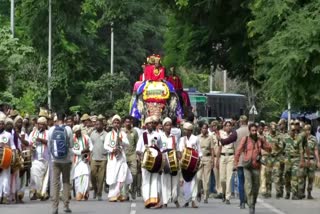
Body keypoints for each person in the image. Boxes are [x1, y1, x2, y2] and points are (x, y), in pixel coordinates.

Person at [234, 123, 271, 214]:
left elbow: (269, 149)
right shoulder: (245, 139)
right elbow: (238, 151)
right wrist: (235, 163)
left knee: (256, 186)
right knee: (249, 186)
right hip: (247, 166)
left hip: (256, 166)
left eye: (255, 130)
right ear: (249, 131)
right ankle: (251, 205)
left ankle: (252, 202)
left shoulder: (260, 140)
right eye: (252, 130)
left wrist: (265, 143)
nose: (254, 132)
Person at [219, 115, 248, 209]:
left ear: (240, 122)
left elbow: (228, 140)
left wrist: (221, 140)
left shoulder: (237, 132)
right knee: (249, 181)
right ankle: (249, 199)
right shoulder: (252, 130)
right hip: (251, 160)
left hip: (240, 160)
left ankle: (242, 202)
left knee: (241, 181)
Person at [48, 112, 73, 214]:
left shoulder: (51, 130)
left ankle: (54, 207)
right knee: (66, 182)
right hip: (66, 160)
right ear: (65, 119)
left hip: (55, 160)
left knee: (55, 183)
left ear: (56, 119)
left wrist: (54, 155)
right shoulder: (68, 129)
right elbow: (71, 145)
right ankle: (66, 205)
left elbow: (50, 145)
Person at [136, 116, 162, 208]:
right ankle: (147, 200)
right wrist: (142, 155)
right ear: (146, 125)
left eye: (152, 123)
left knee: (155, 180)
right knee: (146, 181)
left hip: (156, 162)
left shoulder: (157, 135)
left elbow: (161, 148)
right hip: (146, 161)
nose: (151, 124)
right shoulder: (142, 135)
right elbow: (138, 149)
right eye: (149, 123)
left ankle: (154, 200)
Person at [104, 115, 132, 202]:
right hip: (112, 159)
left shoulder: (122, 134)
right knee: (113, 176)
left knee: (121, 176)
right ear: (112, 124)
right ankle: (112, 195)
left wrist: (121, 141)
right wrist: (112, 149)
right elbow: (105, 146)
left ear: (120, 124)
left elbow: (127, 144)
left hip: (121, 158)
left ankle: (118, 194)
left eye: (118, 123)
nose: (116, 124)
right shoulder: (108, 135)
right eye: (115, 123)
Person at [179, 122, 202, 208]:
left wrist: (199, 160)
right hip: (185, 164)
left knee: (193, 182)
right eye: (185, 130)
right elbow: (180, 151)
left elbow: (199, 151)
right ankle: (186, 200)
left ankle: (193, 200)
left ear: (191, 131)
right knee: (186, 183)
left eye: (188, 130)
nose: (186, 132)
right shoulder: (182, 139)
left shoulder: (195, 139)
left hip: (193, 164)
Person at [160, 117, 180, 208]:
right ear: (163, 127)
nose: (168, 127)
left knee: (175, 181)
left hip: (173, 159)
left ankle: (175, 199)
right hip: (164, 160)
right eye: (166, 125)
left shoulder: (174, 137)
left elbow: (178, 149)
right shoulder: (160, 137)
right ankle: (165, 201)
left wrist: (179, 158)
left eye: (169, 125)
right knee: (165, 181)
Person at [29, 117, 50, 200]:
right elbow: (29, 143)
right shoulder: (33, 133)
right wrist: (31, 147)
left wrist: (40, 140)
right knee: (35, 174)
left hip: (46, 158)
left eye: (42, 124)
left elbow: (50, 143)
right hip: (36, 158)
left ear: (45, 125)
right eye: (39, 124)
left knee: (45, 177)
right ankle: (38, 191)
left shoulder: (48, 133)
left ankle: (43, 193)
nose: (40, 126)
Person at [71, 125, 93, 201]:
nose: (78, 133)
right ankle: (79, 193)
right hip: (76, 161)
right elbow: (71, 150)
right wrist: (81, 151)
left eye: (79, 132)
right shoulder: (72, 139)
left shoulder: (86, 137)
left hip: (85, 160)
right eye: (76, 132)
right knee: (77, 177)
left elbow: (91, 147)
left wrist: (88, 150)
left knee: (85, 176)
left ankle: (85, 193)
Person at [196, 123, 215, 204]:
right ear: (201, 129)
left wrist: (213, 160)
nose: (204, 130)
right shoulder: (197, 137)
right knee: (198, 178)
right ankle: (199, 192)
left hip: (207, 158)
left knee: (206, 180)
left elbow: (212, 149)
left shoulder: (210, 138)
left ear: (207, 129)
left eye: (205, 128)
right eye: (203, 128)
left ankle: (205, 197)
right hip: (199, 159)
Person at [217, 121, 235, 204]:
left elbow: (236, 147)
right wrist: (217, 159)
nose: (228, 127)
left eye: (229, 125)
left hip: (231, 156)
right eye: (226, 126)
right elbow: (219, 147)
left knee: (229, 178)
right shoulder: (221, 134)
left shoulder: (234, 135)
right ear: (224, 127)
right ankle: (223, 193)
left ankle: (228, 197)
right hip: (223, 156)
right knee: (222, 179)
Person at [265, 122, 284, 198]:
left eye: (275, 128)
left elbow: (282, 147)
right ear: (269, 128)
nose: (274, 129)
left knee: (277, 175)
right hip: (268, 158)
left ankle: (278, 192)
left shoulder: (279, 136)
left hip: (277, 158)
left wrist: (276, 148)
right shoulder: (266, 135)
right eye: (272, 127)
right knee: (268, 175)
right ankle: (268, 192)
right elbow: (263, 145)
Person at [90, 119, 108, 201]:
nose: (97, 126)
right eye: (96, 124)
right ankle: (95, 190)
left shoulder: (106, 134)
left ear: (102, 125)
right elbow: (90, 145)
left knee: (101, 178)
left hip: (103, 158)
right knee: (93, 176)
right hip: (94, 157)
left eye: (99, 124)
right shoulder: (92, 134)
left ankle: (99, 194)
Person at [0, 115, 16, 204]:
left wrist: (9, 147)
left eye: (2, 124)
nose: (1, 125)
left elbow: (13, 146)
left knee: (6, 178)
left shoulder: (8, 135)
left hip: (6, 159)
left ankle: (5, 196)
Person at [122, 116, 139, 200]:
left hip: (132, 154)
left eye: (129, 122)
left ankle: (133, 190)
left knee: (134, 174)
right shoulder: (122, 132)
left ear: (131, 122)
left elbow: (137, 144)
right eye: (126, 122)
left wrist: (137, 155)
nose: (128, 123)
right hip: (124, 155)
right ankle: (125, 194)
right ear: (124, 123)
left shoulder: (135, 132)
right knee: (125, 174)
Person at [302, 124, 320, 199]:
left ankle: (309, 193)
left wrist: (318, 161)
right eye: (306, 130)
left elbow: (316, 150)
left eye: (309, 129)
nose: (307, 131)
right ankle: (301, 192)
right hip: (304, 159)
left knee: (311, 177)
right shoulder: (301, 138)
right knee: (302, 177)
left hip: (312, 160)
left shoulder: (314, 139)